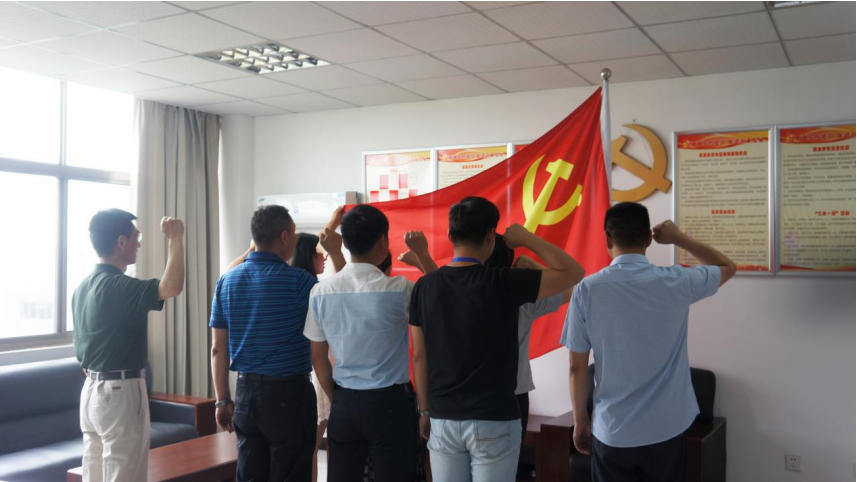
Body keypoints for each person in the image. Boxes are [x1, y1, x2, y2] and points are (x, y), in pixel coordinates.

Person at [408, 196, 584, 482]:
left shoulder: (424, 286)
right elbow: (574, 273)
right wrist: (527, 239)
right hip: (495, 417)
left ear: (450, 234)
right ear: (491, 235)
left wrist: (424, 409)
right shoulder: (505, 283)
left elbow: (419, 355)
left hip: (444, 416)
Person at [561, 202, 736, 482]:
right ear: (648, 239)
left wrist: (580, 420)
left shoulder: (586, 291)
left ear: (608, 239)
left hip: (613, 430)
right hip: (666, 428)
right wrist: (679, 238)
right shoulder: (677, 281)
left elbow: (576, 368)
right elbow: (727, 267)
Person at [304, 204, 432, 482]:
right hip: (390, 404)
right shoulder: (401, 290)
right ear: (383, 241)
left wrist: (337, 398)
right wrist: (425, 409)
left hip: (345, 402)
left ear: (346, 243)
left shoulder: (321, 292)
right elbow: (440, 305)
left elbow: (318, 358)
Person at [73, 209, 185, 482]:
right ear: (121, 242)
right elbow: (171, 286)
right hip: (119, 392)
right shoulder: (119, 286)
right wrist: (176, 238)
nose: (139, 243)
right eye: (136, 237)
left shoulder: (82, 287)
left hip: (90, 393)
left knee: (94, 476)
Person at [209, 205, 318, 482]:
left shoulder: (226, 282)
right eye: (294, 233)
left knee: (250, 474)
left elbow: (217, 348)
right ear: (285, 236)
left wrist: (222, 399)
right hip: (290, 394)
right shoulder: (301, 282)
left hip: (246, 393)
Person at [291, 232, 332, 482]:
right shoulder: (310, 287)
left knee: (309, 449)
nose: (324, 256)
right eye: (319, 252)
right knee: (310, 448)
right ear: (308, 255)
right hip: (316, 369)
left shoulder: (303, 284)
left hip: (315, 367)